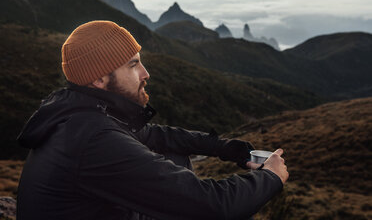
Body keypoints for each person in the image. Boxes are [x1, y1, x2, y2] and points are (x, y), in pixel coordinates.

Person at [16, 20, 288, 220]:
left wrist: (228, 149)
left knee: (175, 154)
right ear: (98, 78)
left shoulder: (83, 114)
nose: (146, 73)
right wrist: (271, 177)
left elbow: (157, 135)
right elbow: (210, 205)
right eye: (133, 65)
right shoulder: (94, 139)